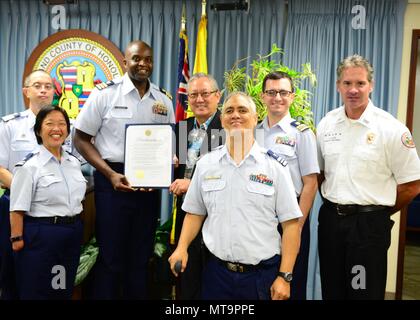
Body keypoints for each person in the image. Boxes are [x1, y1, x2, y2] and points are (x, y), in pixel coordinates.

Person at [169, 92, 302, 300]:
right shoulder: (206, 164)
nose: (235, 115)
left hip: (261, 276)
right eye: (229, 111)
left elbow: (291, 225)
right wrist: (182, 247)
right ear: (222, 120)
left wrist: (284, 277)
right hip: (216, 275)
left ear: (256, 117)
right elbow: (195, 213)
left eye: (242, 110)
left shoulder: (275, 167)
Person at [73, 40, 175, 299]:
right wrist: (109, 174)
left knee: (141, 256)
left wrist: (166, 164)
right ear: (125, 61)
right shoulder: (105, 95)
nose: (143, 64)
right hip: (112, 182)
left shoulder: (163, 100)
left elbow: (169, 142)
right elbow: (81, 139)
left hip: (149, 186)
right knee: (111, 257)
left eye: (148, 59)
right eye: (137, 58)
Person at [317, 54, 420, 300]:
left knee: (362, 292)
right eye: (347, 83)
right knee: (333, 291)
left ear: (371, 85)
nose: (353, 90)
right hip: (331, 222)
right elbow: (321, 174)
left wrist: (378, 214)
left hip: (367, 228)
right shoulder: (326, 124)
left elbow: (412, 185)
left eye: (360, 83)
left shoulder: (391, 129)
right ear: (338, 86)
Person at [9, 105, 86, 299]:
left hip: (70, 233)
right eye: (49, 124)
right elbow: (17, 207)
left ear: (68, 130)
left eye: (62, 124)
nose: (56, 129)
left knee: (60, 287)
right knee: (37, 289)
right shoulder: (29, 166)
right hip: (42, 235)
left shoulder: (73, 163)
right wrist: (17, 240)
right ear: (38, 130)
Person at [258, 71, 319, 300]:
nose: (277, 98)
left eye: (283, 92)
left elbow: (310, 183)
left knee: (289, 284)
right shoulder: (253, 131)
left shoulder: (302, 134)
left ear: (292, 96)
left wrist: (298, 225)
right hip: (261, 215)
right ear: (263, 96)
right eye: (271, 92)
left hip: (291, 217)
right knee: (262, 283)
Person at [0, 70, 56, 299]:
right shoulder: (9, 125)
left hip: (50, 211)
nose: (43, 90)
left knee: (48, 273)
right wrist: (28, 193)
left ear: (54, 92)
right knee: (12, 271)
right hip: (16, 208)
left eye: (48, 86)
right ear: (26, 92)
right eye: (37, 86)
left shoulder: (62, 127)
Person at [169, 73, 224, 299]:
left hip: (217, 216)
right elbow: (172, 169)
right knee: (188, 280)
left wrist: (190, 184)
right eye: (193, 95)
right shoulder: (182, 127)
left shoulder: (230, 126)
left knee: (213, 282)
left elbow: (230, 175)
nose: (199, 99)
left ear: (218, 96)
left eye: (205, 94)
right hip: (187, 213)